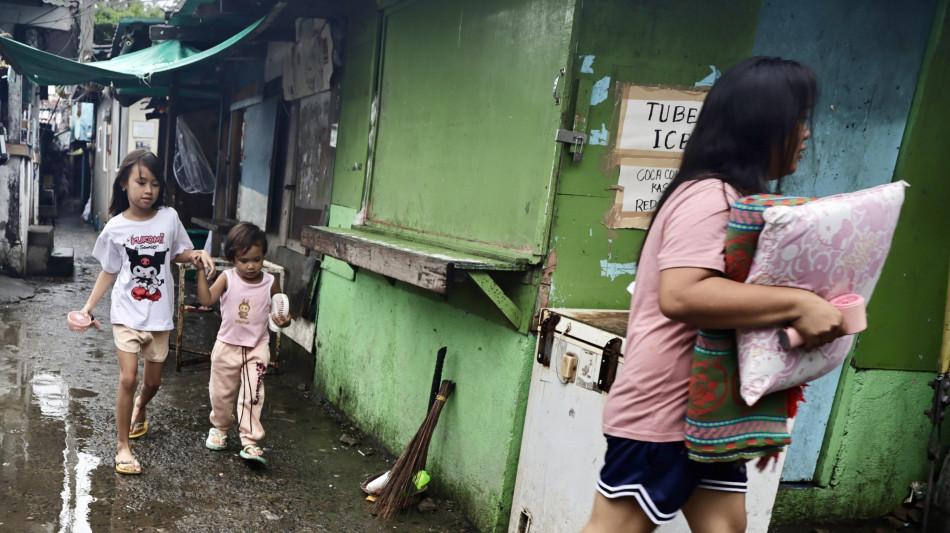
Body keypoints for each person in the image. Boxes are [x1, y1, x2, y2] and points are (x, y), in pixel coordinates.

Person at [580, 57, 846, 533]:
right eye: (798, 119)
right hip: (665, 411)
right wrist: (799, 303)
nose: (806, 134)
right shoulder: (708, 196)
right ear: (760, 124)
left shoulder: (733, 198)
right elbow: (682, 295)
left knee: (725, 526)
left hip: (709, 414)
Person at [79, 149, 215, 475]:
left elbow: (179, 254)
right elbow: (110, 271)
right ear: (124, 182)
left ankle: (141, 406)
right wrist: (88, 306)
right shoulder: (114, 227)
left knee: (152, 383)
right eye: (141, 182)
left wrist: (195, 255)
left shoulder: (169, 218)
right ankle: (123, 447)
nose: (148, 190)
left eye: (154, 183)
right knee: (129, 377)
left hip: (159, 316)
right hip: (126, 312)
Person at [196, 222, 290, 464]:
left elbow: (278, 316)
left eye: (256, 260)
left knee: (253, 394)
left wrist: (284, 320)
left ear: (263, 257)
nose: (250, 266)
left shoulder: (270, 283)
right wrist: (199, 273)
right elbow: (206, 300)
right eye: (243, 260)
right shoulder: (227, 278)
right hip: (226, 345)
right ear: (232, 259)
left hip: (257, 347)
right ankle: (221, 429)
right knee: (221, 392)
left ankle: (249, 441)